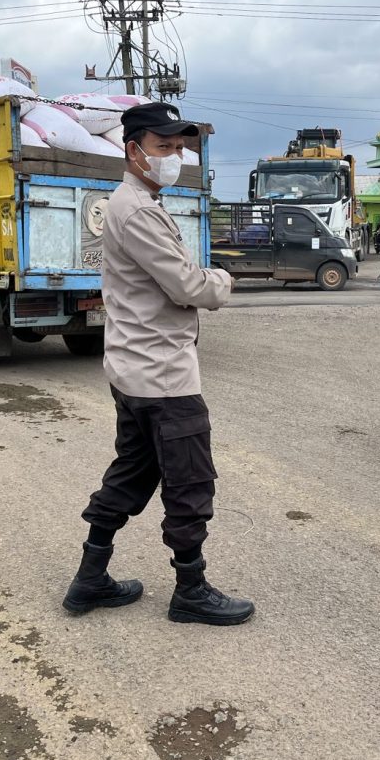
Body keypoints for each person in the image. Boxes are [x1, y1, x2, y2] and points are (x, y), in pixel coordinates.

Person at [62, 101, 255, 626]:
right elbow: (187, 286)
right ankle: (190, 590)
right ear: (134, 150)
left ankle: (89, 579)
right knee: (189, 483)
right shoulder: (140, 209)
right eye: (163, 147)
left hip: (136, 368)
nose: (175, 156)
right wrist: (222, 280)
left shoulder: (137, 201)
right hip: (162, 374)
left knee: (133, 470)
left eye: (179, 148)